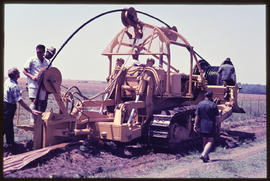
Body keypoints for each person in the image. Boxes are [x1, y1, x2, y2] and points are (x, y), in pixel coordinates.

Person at [4, 67, 42, 150]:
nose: (19, 74)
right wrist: (31, 111)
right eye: (18, 72)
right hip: (9, 107)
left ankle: (9, 144)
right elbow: (20, 101)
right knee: (8, 125)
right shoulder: (14, 86)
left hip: (4, 105)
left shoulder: (7, 81)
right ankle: (10, 145)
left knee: (6, 125)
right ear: (16, 75)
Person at [23, 44, 49, 123]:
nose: (39, 54)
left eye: (41, 52)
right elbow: (24, 71)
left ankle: (38, 120)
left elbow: (50, 72)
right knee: (34, 101)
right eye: (37, 52)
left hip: (43, 85)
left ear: (44, 52)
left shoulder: (47, 62)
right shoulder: (32, 59)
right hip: (33, 84)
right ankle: (32, 119)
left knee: (40, 102)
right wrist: (32, 77)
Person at [193, 90, 219, 162]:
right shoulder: (213, 105)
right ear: (211, 96)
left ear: (205, 96)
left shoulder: (200, 104)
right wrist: (218, 126)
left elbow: (197, 116)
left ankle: (206, 156)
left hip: (202, 126)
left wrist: (195, 125)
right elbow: (217, 118)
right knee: (210, 141)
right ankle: (204, 154)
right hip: (210, 126)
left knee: (204, 140)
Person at [40, 46, 56, 112]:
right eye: (49, 53)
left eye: (52, 55)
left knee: (43, 104)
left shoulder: (49, 63)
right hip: (37, 86)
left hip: (45, 87)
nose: (50, 56)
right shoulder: (39, 60)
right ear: (46, 52)